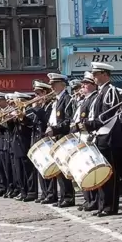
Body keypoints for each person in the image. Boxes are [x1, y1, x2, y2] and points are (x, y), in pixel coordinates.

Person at [87, 63, 122, 216]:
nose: (94, 77)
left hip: (109, 136)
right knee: (102, 174)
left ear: (105, 74)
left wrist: (88, 125)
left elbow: (106, 115)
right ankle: (103, 205)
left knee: (110, 174)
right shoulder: (100, 92)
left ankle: (110, 206)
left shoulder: (110, 91)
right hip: (101, 136)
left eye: (96, 74)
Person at [45, 73, 76, 208]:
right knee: (59, 170)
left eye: (54, 84)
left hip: (63, 137)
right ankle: (64, 196)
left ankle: (69, 197)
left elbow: (68, 121)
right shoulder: (57, 100)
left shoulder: (67, 99)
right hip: (56, 137)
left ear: (62, 84)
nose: (52, 86)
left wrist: (55, 129)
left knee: (65, 170)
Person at [75, 72, 99, 211]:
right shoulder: (84, 99)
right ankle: (88, 198)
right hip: (81, 135)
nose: (83, 86)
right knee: (83, 169)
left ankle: (93, 199)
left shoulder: (93, 98)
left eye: (86, 83)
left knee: (91, 169)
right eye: (83, 84)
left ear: (93, 85)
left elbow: (90, 119)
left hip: (88, 135)